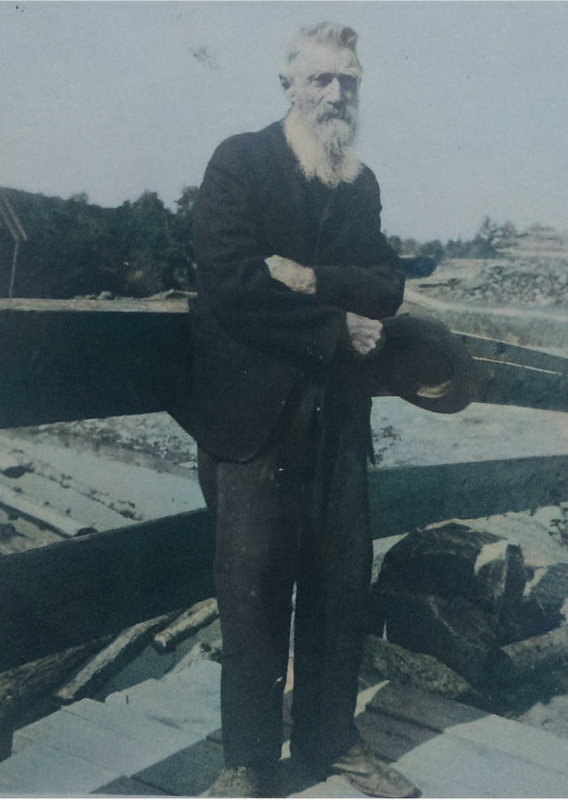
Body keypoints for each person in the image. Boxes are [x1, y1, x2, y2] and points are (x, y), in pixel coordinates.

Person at [189, 22, 421, 798]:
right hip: (252, 422)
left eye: (347, 80)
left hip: (337, 423)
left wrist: (310, 280)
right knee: (251, 592)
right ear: (287, 85)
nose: (335, 94)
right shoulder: (240, 161)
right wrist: (335, 324)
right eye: (320, 79)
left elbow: (387, 286)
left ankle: (329, 741)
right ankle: (247, 762)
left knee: (338, 585)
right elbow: (231, 286)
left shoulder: (359, 181)